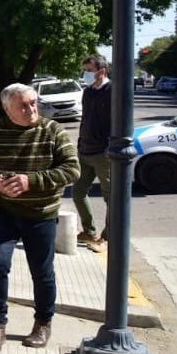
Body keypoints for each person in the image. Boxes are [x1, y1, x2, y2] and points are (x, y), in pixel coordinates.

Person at [0, 83, 80, 354]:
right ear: (7, 109)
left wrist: (31, 181)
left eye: (34, 103)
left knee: (42, 272)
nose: (31, 109)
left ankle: (43, 322)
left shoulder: (52, 130)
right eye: (23, 105)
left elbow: (72, 169)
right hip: (4, 212)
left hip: (41, 214)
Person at [72, 54, 112, 253]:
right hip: (85, 150)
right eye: (85, 70)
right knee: (78, 192)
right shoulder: (88, 92)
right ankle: (89, 231)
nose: (86, 74)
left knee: (111, 198)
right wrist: (80, 143)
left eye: (89, 70)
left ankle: (108, 238)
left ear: (101, 71)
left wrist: (110, 147)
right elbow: (85, 119)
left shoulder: (112, 91)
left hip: (103, 153)